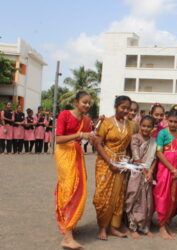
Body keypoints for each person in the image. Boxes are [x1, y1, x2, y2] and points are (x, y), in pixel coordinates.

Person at [54, 91, 94, 249]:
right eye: (84, 102)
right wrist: (78, 134)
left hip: (77, 154)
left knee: (80, 190)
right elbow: (58, 139)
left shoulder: (86, 120)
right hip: (64, 154)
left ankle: (70, 226)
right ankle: (67, 236)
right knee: (68, 189)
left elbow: (85, 136)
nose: (87, 105)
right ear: (76, 102)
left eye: (89, 103)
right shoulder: (64, 114)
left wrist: (90, 137)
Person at [93, 95, 133, 240]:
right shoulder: (107, 123)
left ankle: (112, 227)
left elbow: (129, 146)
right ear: (116, 107)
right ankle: (102, 228)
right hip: (106, 162)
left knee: (118, 196)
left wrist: (127, 159)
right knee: (102, 196)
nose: (126, 110)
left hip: (121, 163)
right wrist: (110, 162)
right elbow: (98, 143)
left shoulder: (130, 125)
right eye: (123, 107)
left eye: (128, 108)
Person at [153, 105, 177, 240]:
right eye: (171, 121)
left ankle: (167, 224)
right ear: (167, 120)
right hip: (165, 170)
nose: (173, 124)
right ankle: (161, 226)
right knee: (163, 196)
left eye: (176, 122)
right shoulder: (162, 133)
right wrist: (172, 169)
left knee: (173, 198)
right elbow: (159, 153)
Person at [125, 115, 157, 239]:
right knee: (133, 198)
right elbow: (137, 157)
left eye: (149, 126)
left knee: (147, 201)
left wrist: (150, 173)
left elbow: (154, 158)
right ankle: (133, 227)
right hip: (136, 173)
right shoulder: (135, 138)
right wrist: (145, 173)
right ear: (140, 125)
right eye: (144, 125)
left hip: (148, 174)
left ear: (153, 128)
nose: (146, 128)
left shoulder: (153, 142)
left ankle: (144, 227)